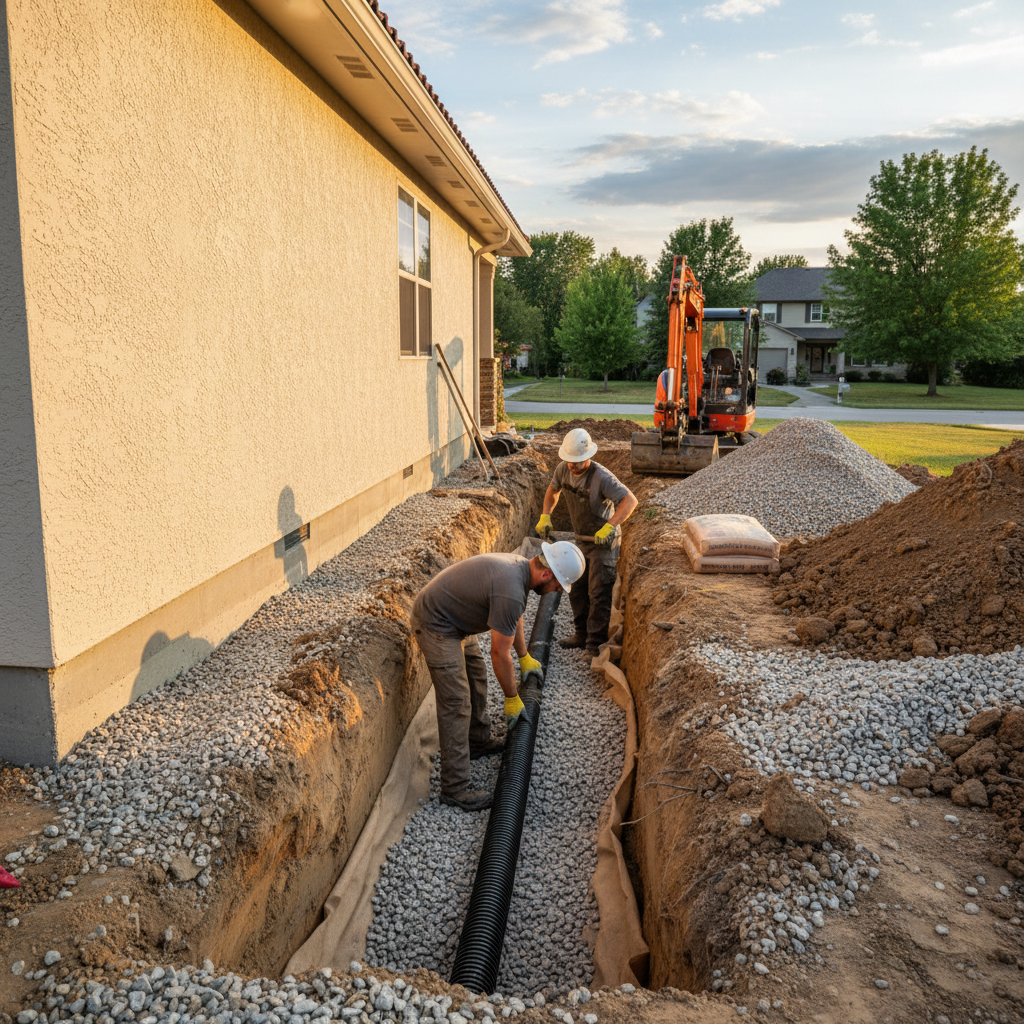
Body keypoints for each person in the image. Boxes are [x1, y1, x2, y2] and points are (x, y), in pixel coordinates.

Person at [410, 541, 586, 811]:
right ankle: (454, 788)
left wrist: (525, 656)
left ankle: (477, 741)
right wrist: (512, 698)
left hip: (454, 618)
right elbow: (499, 654)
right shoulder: (511, 588)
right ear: (548, 574)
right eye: (558, 586)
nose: (556, 592)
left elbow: (513, 618)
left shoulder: (520, 573)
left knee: (476, 676)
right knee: (456, 701)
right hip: (437, 622)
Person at [535, 428, 638, 657]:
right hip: (581, 540)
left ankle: (594, 644)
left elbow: (630, 501)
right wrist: (545, 515)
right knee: (576, 588)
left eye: (577, 462)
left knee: (598, 591)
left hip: (604, 543)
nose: (572, 466)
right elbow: (553, 490)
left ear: (587, 456)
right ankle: (581, 634)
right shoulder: (563, 469)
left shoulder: (602, 477)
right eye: (569, 461)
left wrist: (610, 525)